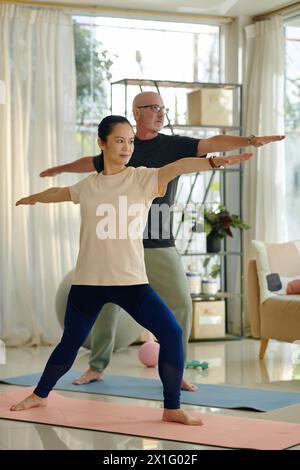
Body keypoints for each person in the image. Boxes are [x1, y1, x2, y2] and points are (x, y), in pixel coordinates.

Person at [11, 115, 253, 424]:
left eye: (130, 141)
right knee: (70, 343)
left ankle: (171, 407)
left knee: (172, 332)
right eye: (119, 141)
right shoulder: (89, 185)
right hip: (88, 282)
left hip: (130, 282)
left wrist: (214, 164)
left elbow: (178, 166)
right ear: (102, 143)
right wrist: (31, 198)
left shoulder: (142, 178)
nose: (127, 147)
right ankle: (39, 395)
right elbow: (59, 193)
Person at [40, 92, 285, 390]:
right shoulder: (122, 143)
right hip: (116, 242)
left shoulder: (173, 145)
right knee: (106, 308)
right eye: (154, 108)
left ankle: (175, 368)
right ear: (136, 111)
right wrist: (59, 169)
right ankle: (96, 366)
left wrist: (249, 139)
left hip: (158, 240)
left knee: (181, 304)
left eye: (163, 108)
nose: (160, 113)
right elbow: (89, 163)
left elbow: (211, 144)